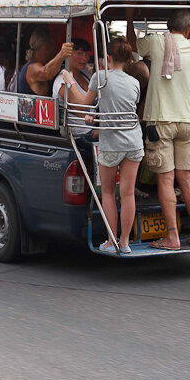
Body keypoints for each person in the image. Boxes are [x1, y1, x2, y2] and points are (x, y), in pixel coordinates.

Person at [126, 8, 190, 250]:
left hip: (161, 120)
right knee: (186, 179)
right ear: (188, 29)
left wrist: (131, 18)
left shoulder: (157, 42)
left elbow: (132, 44)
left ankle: (172, 237)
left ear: (167, 25)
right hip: (188, 121)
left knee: (166, 179)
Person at [61, 38, 142, 254]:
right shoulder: (134, 82)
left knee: (108, 192)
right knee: (127, 194)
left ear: (106, 57)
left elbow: (83, 102)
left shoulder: (100, 77)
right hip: (134, 140)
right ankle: (124, 243)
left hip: (111, 143)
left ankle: (110, 241)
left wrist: (69, 80)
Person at [16, 27, 73, 96]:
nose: (54, 50)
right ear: (46, 47)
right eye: (53, 46)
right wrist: (61, 55)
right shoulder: (31, 67)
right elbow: (46, 73)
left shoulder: (37, 65)